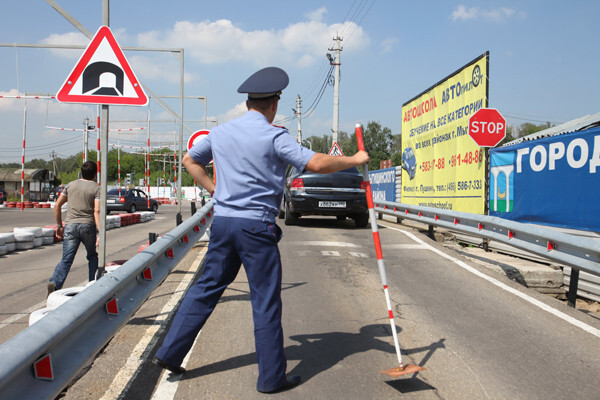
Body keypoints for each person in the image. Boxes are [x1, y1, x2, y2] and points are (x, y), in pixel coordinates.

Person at [153, 66, 370, 393]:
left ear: (248, 103)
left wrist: (215, 189)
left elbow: (189, 161)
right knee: (265, 301)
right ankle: (271, 378)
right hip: (256, 226)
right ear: (274, 104)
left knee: (206, 287)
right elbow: (318, 164)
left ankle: (171, 352)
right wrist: (355, 159)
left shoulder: (221, 133)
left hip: (224, 223)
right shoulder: (274, 136)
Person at [47, 161, 101, 296]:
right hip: (88, 226)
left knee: (66, 259)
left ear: (81, 172)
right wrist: (101, 233)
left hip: (71, 226)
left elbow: (57, 205)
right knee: (92, 256)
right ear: (95, 173)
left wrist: (59, 225)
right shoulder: (96, 188)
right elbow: (97, 211)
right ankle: (93, 285)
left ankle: (55, 283)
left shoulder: (70, 185)